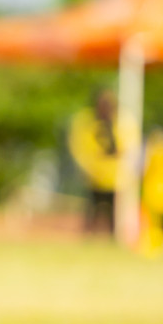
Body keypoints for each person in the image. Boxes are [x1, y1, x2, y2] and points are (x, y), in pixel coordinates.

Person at [67, 89, 121, 234]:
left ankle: (112, 235)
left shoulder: (120, 123)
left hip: (113, 176)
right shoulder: (87, 123)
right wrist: (89, 167)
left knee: (113, 212)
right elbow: (80, 148)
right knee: (92, 210)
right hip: (94, 176)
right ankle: (90, 234)